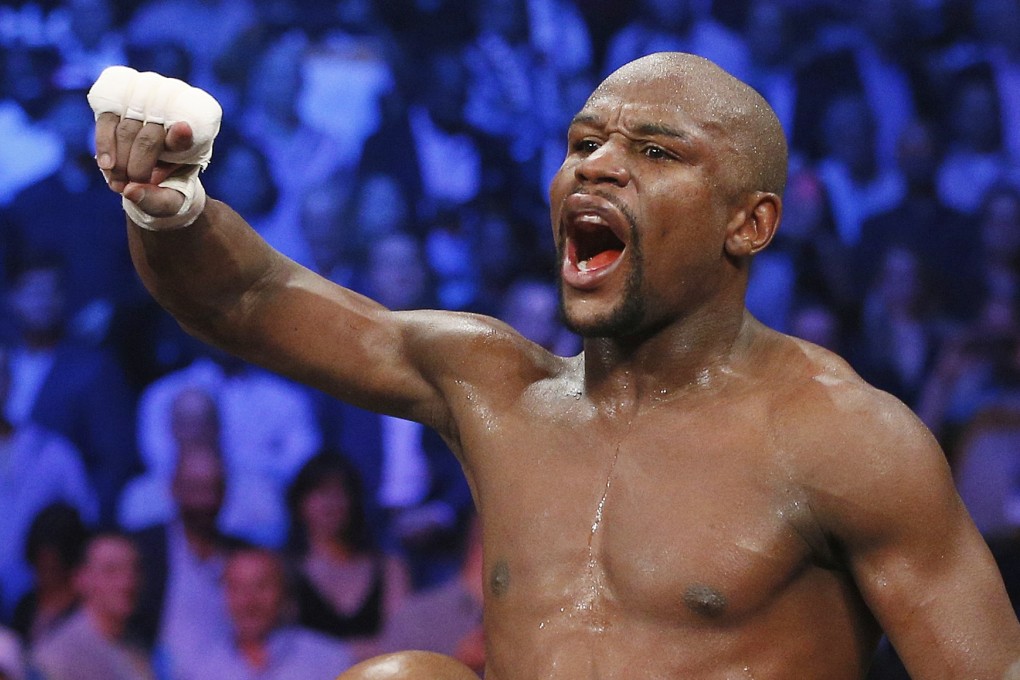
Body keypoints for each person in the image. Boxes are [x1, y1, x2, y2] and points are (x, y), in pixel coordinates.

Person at [90, 51, 1020, 678]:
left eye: (653, 151)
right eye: (583, 143)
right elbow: (243, 298)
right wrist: (167, 204)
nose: (598, 166)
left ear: (752, 223)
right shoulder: (498, 390)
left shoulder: (843, 438)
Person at [175, 546, 354, 679]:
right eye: (236, 588)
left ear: (285, 593)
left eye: (261, 586)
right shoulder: (198, 668)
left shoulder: (329, 661)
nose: (248, 601)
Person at [30, 532, 155, 680]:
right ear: (82, 578)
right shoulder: (58, 655)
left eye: (134, 569)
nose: (127, 582)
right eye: (111, 571)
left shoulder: (136, 646)